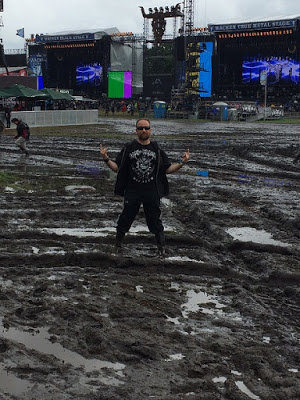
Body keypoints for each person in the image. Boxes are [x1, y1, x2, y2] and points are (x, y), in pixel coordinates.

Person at [100, 118, 190, 254]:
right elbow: (117, 168)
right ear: (136, 131)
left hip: (151, 191)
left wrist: (182, 162)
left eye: (146, 128)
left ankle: (161, 249)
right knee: (125, 218)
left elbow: (167, 169)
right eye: (141, 128)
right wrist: (106, 158)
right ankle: (117, 246)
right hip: (132, 191)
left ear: (150, 130)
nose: (144, 130)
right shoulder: (128, 148)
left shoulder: (157, 149)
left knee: (155, 220)